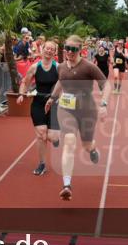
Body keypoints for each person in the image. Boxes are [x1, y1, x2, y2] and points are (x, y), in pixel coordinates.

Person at [45, 35, 110, 200]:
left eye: (73, 49)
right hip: (66, 109)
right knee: (69, 142)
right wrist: (52, 98)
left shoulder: (88, 67)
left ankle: (92, 149)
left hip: (87, 110)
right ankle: (67, 185)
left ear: (80, 50)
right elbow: (61, 81)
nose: (69, 52)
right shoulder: (60, 66)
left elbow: (106, 85)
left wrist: (104, 104)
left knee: (87, 145)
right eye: (67, 48)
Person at [17, 41, 60, 176]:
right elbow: (25, 82)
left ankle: (56, 138)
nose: (48, 51)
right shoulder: (35, 67)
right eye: (47, 48)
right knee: (41, 134)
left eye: (51, 49)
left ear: (55, 52)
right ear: (42, 50)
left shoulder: (58, 68)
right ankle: (42, 164)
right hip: (38, 103)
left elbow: (64, 86)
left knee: (52, 137)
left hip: (53, 104)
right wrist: (21, 94)